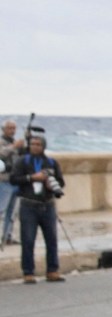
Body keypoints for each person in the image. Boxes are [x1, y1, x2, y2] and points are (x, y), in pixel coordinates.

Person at [10, 128, 65, 282]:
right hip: (29, 205)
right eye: (33, 144)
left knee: (51, 239)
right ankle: (28, 272)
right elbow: (14, 179)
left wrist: (50, 185)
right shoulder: (22, 161)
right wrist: (31, 178)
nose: (35, 147)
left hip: (47, 205)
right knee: (28, 239)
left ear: (43, 146)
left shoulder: (51, 162)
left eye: (38, 144)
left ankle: (52, 270)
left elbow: (61, 182)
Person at [1, 117, 19, 247]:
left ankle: (7, 236)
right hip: (3, 182)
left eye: (13, 128)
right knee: (1, 210)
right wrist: (14, 146)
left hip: (15, 181)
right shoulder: (2, 142)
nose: (12, 131)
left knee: (12, 212)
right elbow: (2, 154)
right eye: (9, 128)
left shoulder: (15, 142)